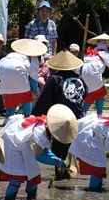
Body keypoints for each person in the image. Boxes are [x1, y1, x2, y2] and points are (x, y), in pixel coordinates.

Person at [0, 104, 77, 200]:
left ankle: (31, 199)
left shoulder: (45, 125)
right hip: (11, 142)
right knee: (18, 175)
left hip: (21, 142)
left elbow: (44, 150)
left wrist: (57, 159)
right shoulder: (42, 131)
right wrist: (57, 162)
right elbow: (38, 155)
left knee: (34, 172)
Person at [31, 51, 86, 180]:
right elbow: (85, 95)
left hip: (60, 117)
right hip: (77, 117)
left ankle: (60, 174)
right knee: (69, 145)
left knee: (58, 147)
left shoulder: (55, 79)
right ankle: (65, 171)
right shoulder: (80, 79)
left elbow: (45, 99)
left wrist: (35, 116)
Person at [0, 38, 46, 121]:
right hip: (18, 69)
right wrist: (35, 91)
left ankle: (8, 117)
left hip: (3, 69)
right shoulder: (33, 58)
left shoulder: (12, 54)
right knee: (27, 96)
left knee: (10, 95)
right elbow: (33, 79)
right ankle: (27, 117)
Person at [80, 34, 109, 114]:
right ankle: (98, 115)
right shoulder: (106, 55)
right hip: (92, 72)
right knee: (99, 92)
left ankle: (82, 113)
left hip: (80, 72)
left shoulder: (89, 53)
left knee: (91, 93)